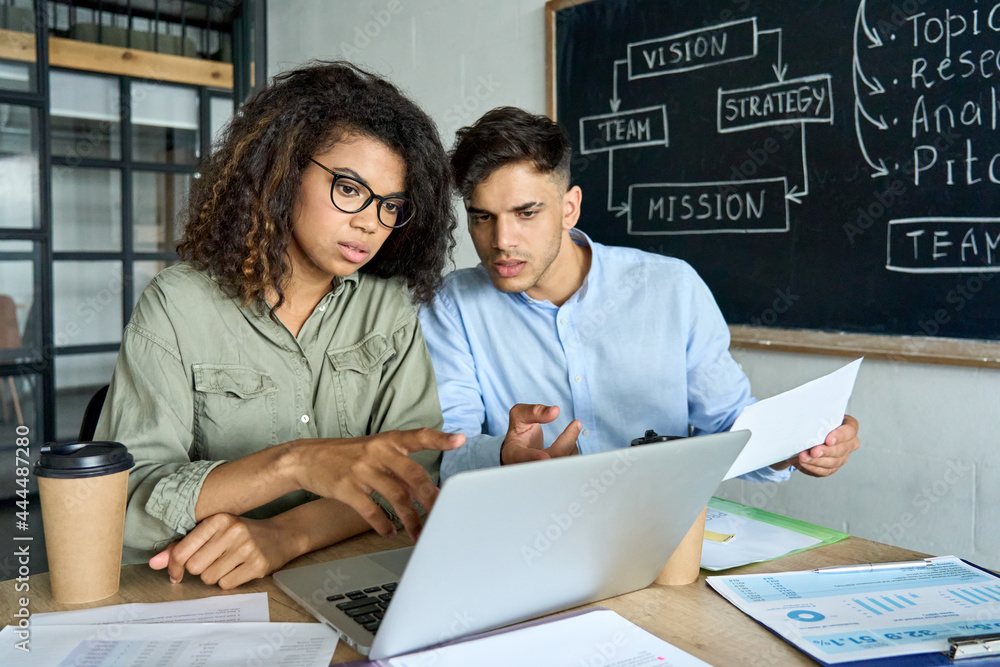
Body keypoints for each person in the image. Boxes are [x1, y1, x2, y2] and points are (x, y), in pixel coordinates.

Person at [94, 61, 464, 590]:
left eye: (390, 206)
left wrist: (288, 535)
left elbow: (412, 476)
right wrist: (292, 464)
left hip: (346, 572)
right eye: (350, 189)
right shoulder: (177, 305)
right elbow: (128, 503)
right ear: (284, 170)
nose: (369, 222)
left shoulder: (388, 308)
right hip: (197, 590)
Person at [419, 106, 859, 483]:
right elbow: (447, 452)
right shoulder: (452, 305)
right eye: (482, 218)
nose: (502, 240)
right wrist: (502, 454)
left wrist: (805, 442)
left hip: (660, 535)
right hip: (531, 535)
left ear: (569, 208)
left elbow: (729, 427)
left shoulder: (672, 287)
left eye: (526, 213)